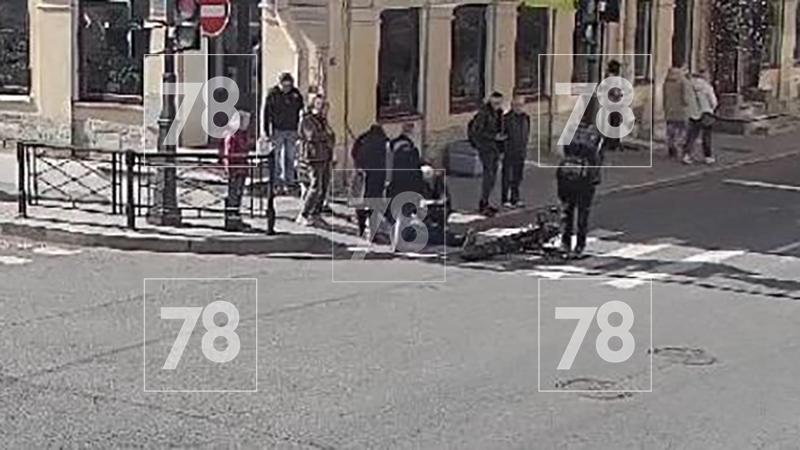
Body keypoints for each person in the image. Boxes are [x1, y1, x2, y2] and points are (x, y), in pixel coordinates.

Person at [556, 122, 603, 257]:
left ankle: (565, 244)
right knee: (582, 215)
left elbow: (564, 153)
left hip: (567, 179)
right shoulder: (595, 137)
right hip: (585, 181)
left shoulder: (569, 134)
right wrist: (596, 179)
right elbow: (597, 160)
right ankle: (579, 246)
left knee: (567, 213)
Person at [297, 94, 335, 226]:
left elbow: (331, 136)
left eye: (324, 105)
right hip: (313, 157)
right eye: (319, 104)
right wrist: (326, 135)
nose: (322, 108)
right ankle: (304, 214)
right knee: (315, 186)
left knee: (324, 187)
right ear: (313, 105)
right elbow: (312, 136)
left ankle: (316, 213)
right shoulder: (307, 120)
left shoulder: (323, 121)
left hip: (325, 156)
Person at [263, 72, 304, 194]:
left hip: (292, 130)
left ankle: (289, 182)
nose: (287, 88)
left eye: (289, 85)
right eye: (284, 86)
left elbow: (301, 111)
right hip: (277, 130)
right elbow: (266, 113)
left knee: (290, 157)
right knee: (276, 157)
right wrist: (267, 131)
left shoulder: (296, 94)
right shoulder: (273, 94)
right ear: (280, 84)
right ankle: (276, 182)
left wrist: (300, 130)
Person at [468, 91, 506, 216]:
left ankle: (487, 201)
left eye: (499, 103)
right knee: (488, 174)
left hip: (494, 148)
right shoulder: (483, 114)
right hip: (485, 147)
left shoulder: (499, 113)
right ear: (490, 101)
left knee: (493, 175)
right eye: (495, 103)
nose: (497, 105)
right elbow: (477, 132)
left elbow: (500, 128)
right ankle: (483, 203)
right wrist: (493, 136)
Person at [351, 124, 389, 238]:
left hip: (361, 174)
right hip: (377, 176)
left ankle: (361, 229)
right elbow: (388, 158)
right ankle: (372, 232)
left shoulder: (362, 139)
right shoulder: (384, 141)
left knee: (360, 203)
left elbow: (353, 152)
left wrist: (358, 165)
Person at [220, 111, 253, 231]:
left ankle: (235, 218)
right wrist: (230, 170)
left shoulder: (240, 134)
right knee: (234, 194)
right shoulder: (233, 136)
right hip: (236, 169)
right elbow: (230, 154)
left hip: (241, 168)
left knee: (237, 194)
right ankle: (232, 220)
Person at [684, 69, 718, 165]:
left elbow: (686, 100)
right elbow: (713, 101)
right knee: (706, 136)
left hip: (693, 113)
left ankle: (687, 155)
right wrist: (712, 109)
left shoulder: (689, 86)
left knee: (691, 135)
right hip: (706, 112)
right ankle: (707, 156)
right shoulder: (707, 87)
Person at [501, 93, 530, 208]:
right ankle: (505, 199)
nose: (519, 107)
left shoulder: (526, 118)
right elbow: (502, 135)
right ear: (512, 105)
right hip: (509, 151)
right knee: (507, 176)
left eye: (521, 105)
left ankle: (515, 198)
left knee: (518, 176)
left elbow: (526, 133)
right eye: (517, 105)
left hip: (521, 151)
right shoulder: (506, 119)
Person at [662, 65, 694, 159]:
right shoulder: (683, 82)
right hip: (681, 110)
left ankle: (671, 146)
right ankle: (677, 146)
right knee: (681, 130)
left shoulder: (667, 81)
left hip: (669, 109)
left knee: (670, 130)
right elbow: (686, 98)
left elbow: (664, 96)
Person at [601, 59, 624, 153]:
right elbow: (616, 91)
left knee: (612, 122)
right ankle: (613, 142)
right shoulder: (615, 79)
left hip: (611, 103)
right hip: (615, 103)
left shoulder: (609, 78)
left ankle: (611, 142)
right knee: (614, 122)